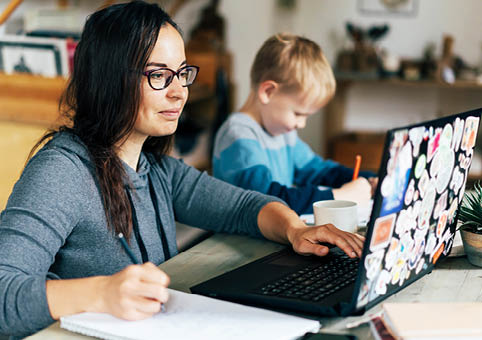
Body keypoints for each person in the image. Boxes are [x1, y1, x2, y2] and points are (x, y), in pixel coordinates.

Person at [0, 2, 364, 338]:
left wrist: (295, 229)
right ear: (110, 80)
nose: (179, 92)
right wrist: (101, 291)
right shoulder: (61, 172)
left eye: (182, 73)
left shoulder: (156, 168)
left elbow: (242, 206)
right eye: (159, 75)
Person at [212, 33, 377, 215]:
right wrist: (337, 197)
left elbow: (319, 171)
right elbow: (268, 199)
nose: (301, 124)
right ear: (268, 92)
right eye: (298, 113)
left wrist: (369, 179)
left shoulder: (283, 132)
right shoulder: (238, 135)